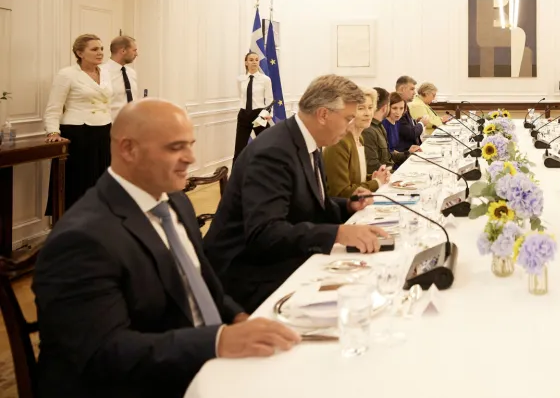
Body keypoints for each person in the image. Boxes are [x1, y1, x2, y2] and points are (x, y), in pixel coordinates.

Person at [33, 99, 300, 398]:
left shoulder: (174, 201)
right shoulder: (82, 239)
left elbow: (202, 285)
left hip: (197, 360)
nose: (192, 158)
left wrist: (239, 319)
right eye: (175, 148)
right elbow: (104, 354)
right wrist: (218, 341)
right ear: (128, 149)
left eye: (190, 145)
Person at [204, 75, 388, 312]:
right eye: (347, 118)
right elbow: (265, 233)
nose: (349, 126)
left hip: (278, 259)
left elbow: (309, 205)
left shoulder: (306, 141)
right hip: (249, 274)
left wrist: (347, 207)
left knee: (366, 282)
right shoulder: (274, 152)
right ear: (323, 114)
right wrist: (338, 233)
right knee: (360, 297)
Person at [43, 34, 114, 211]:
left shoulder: (105, 72)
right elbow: (54, 107)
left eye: (101, 49)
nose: (100, 53)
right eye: (94, 49)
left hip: (104, 131)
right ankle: (74, 227)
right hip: (79, 133)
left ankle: (99, 225)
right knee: (79, 183)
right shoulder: (67, 74)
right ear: (79, 53)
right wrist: (53, 132)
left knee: (102, 182)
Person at [324, 88, 391, 198]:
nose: (368, 113)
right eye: (361, 108)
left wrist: (373, 177)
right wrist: (376, 182)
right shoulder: (339, 143)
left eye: (370, 107)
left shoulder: (359, 139)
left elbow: (355, 179)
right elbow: (341, 193)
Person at [363, 87, 417, 173]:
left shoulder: (380, 126)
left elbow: (389, 155)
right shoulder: (369, 130)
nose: (398, 112)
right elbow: (373, 167)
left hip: (389, 171)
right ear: (386, 108)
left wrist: (408, 153)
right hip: (385, 176)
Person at [233, 53, 272, 163]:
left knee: (266, 146)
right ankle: (237, 176)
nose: (254, 62)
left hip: (259, 115)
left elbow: (269, 99)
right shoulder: (240, 79)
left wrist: (266, 115)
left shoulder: (265, 79)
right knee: (239, 148)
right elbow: (241, 96)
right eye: (251, 60)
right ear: (246, 63)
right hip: (244, 115)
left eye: (256, 60)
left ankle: (268, 172)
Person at [102, 34, 139, 119]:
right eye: (134, 50)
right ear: (123, 51)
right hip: (110, 124)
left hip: (131, 123)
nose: (136, 54)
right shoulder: (102, 72)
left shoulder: (131, 72)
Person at [394, 75, 429, 152]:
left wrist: (415, 122)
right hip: (403, 153)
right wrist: (421, 123)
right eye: (412, 89)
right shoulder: (396, 107)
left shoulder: (405, 105)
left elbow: (405, 128)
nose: (415, 93)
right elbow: (410, 134)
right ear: (402, 89)